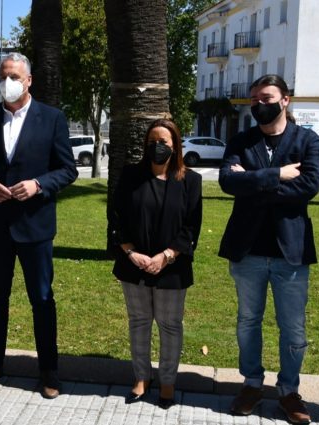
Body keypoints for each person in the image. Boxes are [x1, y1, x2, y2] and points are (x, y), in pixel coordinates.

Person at [0, 52, 78, 399]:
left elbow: (68, 169)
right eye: (3, 76)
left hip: (35, 226)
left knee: (41, 298)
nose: (7, 82)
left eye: (13, 76)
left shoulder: (52, 118)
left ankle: (48, 370)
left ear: (29, 80)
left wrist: (38, 185)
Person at [218, 74, 319, 424]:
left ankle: (289, 391)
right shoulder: (242, 141)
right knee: (248, 321)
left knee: (292, 327)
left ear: (285, 100)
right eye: (253, 99)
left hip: (290, 253)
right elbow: (227, 181)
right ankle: (251, 383)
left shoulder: (307, 141)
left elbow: (309, 185)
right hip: (247, 250)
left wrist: (253, 183)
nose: (258, 105)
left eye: (265, 97)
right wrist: (277, 174)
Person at [109, 119, 202, 409]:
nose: (157, 147)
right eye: (152, 141)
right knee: (138, 322)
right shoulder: (130, 175)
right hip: (133, 264)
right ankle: (141, 378)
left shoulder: (190, 181)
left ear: (175, 146)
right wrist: (130, 252)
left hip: (171, 268)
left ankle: (167, 382)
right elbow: (116, 217)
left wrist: (166, 256)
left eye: (163, 142)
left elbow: (191, 227)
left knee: (170, 325)